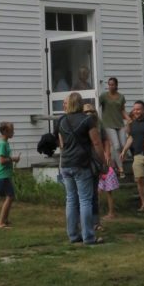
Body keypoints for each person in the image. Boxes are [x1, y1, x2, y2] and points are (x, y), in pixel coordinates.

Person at [57, 92, 108, 245]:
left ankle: (73, 235)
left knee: (71, 200)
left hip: (66, 164)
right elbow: (97, 143)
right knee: (85, 200)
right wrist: (103, 162)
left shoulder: (61, 121)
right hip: (82, 164)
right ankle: (88, 237)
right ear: (80, 103)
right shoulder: (87, 120)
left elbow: (61, 144)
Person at [120, 100, 144, 213]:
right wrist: (124, 150)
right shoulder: (132, 124)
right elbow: (131, 138)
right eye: (134, 109)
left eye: (138, 109)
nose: (136, 111)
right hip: (137, 155)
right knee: (139, 180)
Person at [99, 76, 130, 177]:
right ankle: (121, 170)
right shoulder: (103, 96)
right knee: (116, 146)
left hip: (120, 124)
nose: (110, 86)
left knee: (124, 145)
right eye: (109, 84)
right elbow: (96, 105)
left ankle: (114, 163)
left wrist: (128, 118)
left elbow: (122, 110)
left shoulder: (121, 97)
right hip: (108, 124)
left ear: (116, 85)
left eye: (112, 84)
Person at [0, 122, 20, 228]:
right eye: (11, 130)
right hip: (2, 175)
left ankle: (5, 220)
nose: (13, 132)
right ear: (5, 131)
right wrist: (12, 159)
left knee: (10, 197)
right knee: (10, 197)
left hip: (5, 175)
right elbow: (1, 160)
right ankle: (0, 223)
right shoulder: (3, 144)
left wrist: (12, 160)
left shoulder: (5, 143)